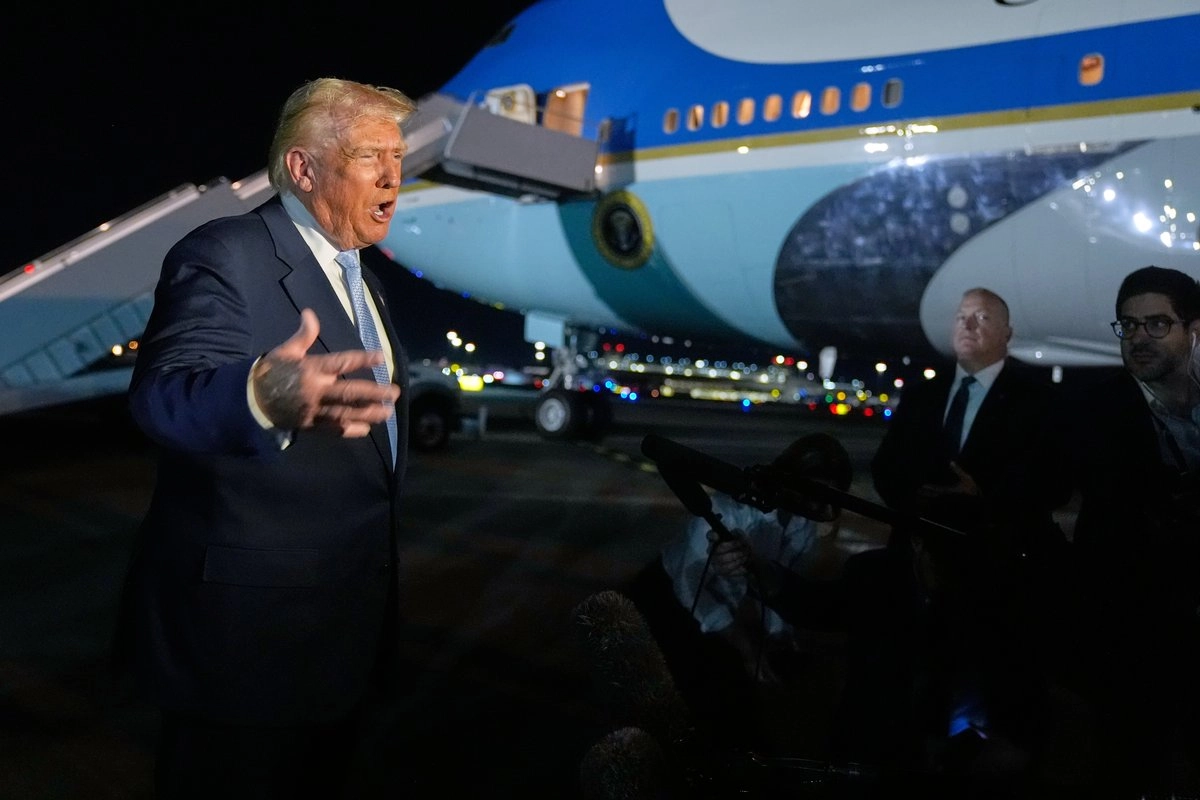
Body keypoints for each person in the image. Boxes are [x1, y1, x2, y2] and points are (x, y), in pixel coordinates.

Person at [115, 77, 416, 799]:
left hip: (341, 633)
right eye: (371, 155)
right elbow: (161, 397)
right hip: (247, 649)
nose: (393, 176)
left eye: (398, 157)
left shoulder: (362, 278)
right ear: (304, 169)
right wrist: (259, 396)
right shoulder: (229, 252)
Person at [867, 286, 1075, 786]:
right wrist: (915, 496)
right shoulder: (923, 394)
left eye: (982, 318)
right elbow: (885, 467)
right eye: (962, 317)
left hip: (1003, 573)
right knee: (924, 689)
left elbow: (1055, 482)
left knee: (1007, 693)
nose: (968, 325)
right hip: (924, 571)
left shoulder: (1040, 399)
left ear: (1008, 334)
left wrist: (982, 493)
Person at [625, 433, 854, 752]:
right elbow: (691, 588)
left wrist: (778, 637)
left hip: (723, 606)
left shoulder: (801, 524)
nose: (821, 507)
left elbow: (784, 582)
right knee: (684, 703)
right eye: (816, 493)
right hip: (669, 597)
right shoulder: (728, 509)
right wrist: (747, 651)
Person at [1071, 265, 1200, 797]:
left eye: (1156, 325)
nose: (1139, 338)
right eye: (1129, 326)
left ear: (1193, 330)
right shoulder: (1089, 411)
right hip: (1132, 632)